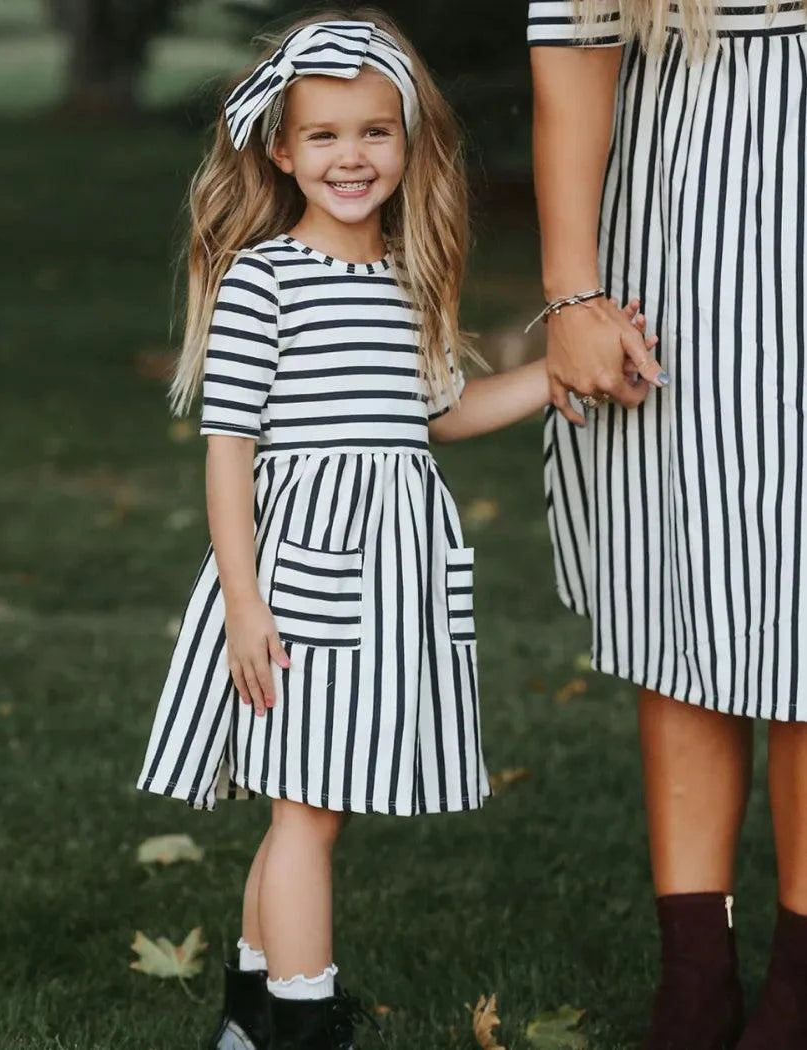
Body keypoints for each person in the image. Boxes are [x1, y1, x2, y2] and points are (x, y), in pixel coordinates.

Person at [136, 9, 649, 1049]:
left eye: (374, 131)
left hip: (386, 581)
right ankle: (305, 1020)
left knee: (303, 804)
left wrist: (551, 374)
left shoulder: (408, 283)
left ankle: (251, 1014)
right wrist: (244, 600)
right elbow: (228, 449)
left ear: (408, 143)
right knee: (307, 812)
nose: (351, 156)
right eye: (324, 136)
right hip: (300, 583)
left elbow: (437, 415)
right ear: (281, 150)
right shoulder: (264, 281)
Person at [528, 1, 807, 1047]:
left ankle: (798, 988)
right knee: (677, 590)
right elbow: (571, 45)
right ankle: (694, 982)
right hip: (679, 215)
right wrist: (571, 294)